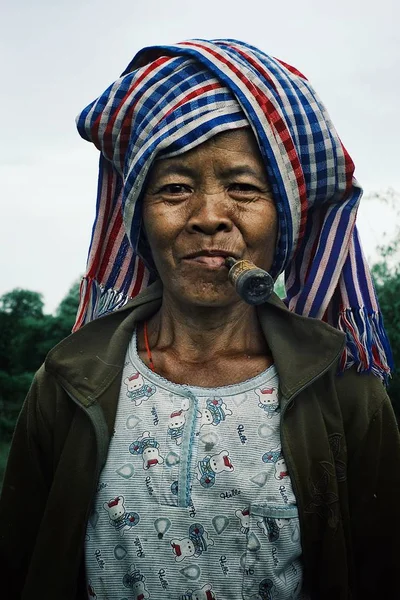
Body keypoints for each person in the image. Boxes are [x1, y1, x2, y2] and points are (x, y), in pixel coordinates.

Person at [0, 39, 399, 600]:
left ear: (281, 218)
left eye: (243, 188)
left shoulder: (345, 392)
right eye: (175, 189)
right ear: (140, 217)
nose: (209, 217)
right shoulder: (68, 383)